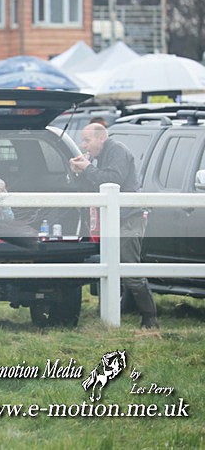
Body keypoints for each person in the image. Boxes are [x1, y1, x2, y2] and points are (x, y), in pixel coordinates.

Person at [70, 123, 158, 328]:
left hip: (129, 217)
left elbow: (111, 181)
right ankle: (116, 311)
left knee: (129, 268)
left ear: (101, 138)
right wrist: (78, 172)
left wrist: (87, 168)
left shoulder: (117, 150)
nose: (83, 145)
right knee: (111, 266)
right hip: (113, 219)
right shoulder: (99, 157)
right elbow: (90, 188)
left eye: (87, 140)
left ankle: (150, 318)